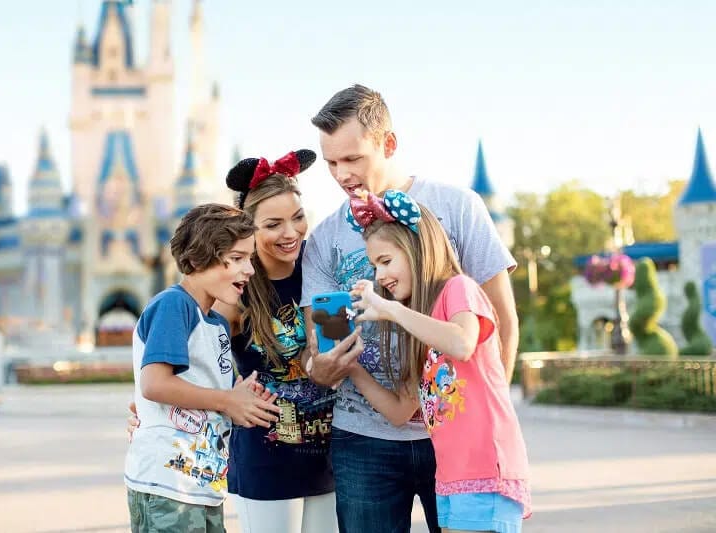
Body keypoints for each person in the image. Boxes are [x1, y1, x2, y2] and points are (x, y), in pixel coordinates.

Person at [301, 84, 519, 532]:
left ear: (388, 143)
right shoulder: (323, 240)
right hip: (364, 442)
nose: (342, 174)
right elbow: (319, 348)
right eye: (331, 163)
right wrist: (320, 366)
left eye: (353, 158)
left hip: (457, 435)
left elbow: (502, 322)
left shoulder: (458, 208)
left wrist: (489, 422)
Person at [346, 189, 531, 533]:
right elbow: (401, 411)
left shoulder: (458, 288)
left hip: (484, 468)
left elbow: (462, 343)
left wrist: (391, 310)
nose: (379, 276)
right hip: (451, 475)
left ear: (417, 248)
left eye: (385, 261)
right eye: (374, 266)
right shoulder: (423, 322)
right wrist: (352, 367)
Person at [124, 203, 282, 533]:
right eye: (237, 258)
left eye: (250, 259)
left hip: (204, 486)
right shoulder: (174, 305)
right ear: (197, 259)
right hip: (168, 487)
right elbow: (155, 384)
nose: (249, 270)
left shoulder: (216, 324)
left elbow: (211, 395)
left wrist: (243, 399)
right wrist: (227, 400)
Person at [220, 150, 344, 533]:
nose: (290, 233)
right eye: (273, 224)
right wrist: (222, 398)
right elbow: (196, 358)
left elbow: (336, 350)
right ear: (248, 229)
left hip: (328, 454)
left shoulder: (321, 268)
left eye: (297, 217)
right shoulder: (235, 287)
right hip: (265, 458)